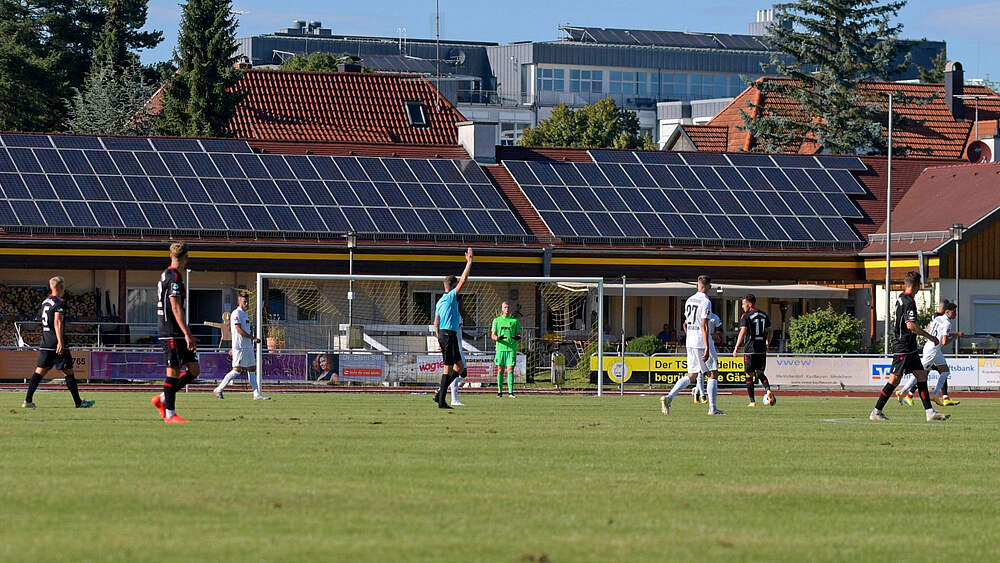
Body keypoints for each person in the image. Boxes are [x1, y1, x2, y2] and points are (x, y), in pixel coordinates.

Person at [870, 271, 949, 422]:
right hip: (904, 347)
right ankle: (876, 411)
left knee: (921, 375)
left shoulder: (901, 297)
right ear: (917, 286)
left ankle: (930, 412)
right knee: (894, 380)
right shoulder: (909, 302)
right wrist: (930, 336)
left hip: (909, 347)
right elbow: (911, 325)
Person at [22, 276, 94, 409]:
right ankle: (78, 403)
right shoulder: (59, 302)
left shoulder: (45, 301)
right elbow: (57, 321)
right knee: (69, 372)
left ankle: (27, 401)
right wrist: (60, 341)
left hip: (45, 342)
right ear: (61, 287)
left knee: (39, 372)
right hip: (56, 342)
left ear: (51, 287)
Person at [151, 242, 201, 423]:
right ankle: (170, 414)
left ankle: (163, 398)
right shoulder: (174, 277)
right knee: (173, 371)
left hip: (176, 330)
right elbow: (175, 306)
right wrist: (187, 333)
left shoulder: (166, 273)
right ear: (186, 257)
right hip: (171, 330)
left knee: (194, 369)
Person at [661, 275, 724, 415]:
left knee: (692, 375)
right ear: (709, 287)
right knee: (713, 372)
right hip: (701, 342)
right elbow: (704, 325)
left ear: (697, 285)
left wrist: (690, 335)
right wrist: (707, 346)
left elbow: (686, 323)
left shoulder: (689, 300)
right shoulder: (706, 301)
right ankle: (712, 409)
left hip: (690, 341)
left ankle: (669, 397)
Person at [897, 300, 962, 407]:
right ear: (948, 312)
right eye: (954, 312)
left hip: (933, 348)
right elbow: (945, 342)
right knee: (921, 373)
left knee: (945, 372)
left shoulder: (937, 318)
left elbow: (928, 328)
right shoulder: (947, 323)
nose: (955, 314)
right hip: (932, 350)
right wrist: (954, 337)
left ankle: (935, 395)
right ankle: (903, 392)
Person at [432, 248, 473, 409]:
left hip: (445, 335)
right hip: (448, 335)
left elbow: (435, 323)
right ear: (453, 287)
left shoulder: (439, 301)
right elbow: (463, 280)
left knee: (461, 370)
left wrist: (438, 339)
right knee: (448, 368)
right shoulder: (450, 297)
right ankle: (441, 401)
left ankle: (439, 395)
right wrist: (469, 262)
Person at [214, 292, 271, 400]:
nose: (247, 303)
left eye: (247, 301)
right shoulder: (236, 313)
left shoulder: (244, 314)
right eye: (244, 301)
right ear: (239, 301)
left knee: (252, 369)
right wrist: (252, 338)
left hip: (247, 346)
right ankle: (219, 389)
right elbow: (238, 329)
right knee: (237, 370)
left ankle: (256, 394)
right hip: (240, 347)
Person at [733, 294, 774, 408]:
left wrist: (736, 347)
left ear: (749, 304)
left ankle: (752, 401)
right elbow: (771, 330)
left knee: (748, 375)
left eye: (743, 303)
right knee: (760, 373)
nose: (742, 306)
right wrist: (767, 342)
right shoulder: (764, 314)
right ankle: (768, 390)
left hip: (750, 349)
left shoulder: (745, 316)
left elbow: (743, 332)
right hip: (761, 349)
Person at [492, 301, 521, 398]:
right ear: (502, 309)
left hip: (511, 349)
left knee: (510, 369)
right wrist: (497, 338)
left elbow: (518, 334)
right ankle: (499, 392)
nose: (506, 309)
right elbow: (493, 335)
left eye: (508, 307)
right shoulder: (497, 320)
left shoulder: (514, 321)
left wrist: (517, 337)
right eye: (505, 307)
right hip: (500, 348)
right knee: (500, 369)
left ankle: (510, 392)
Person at [691, 312, 720, 404]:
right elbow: (686, 324)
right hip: (700, 343)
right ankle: (703, 395)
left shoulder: (714, 317)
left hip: (707, 343)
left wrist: (716, 334)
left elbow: (719, 328)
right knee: (702, 371)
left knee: (707, 370)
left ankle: (697, 392)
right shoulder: (697, 315)